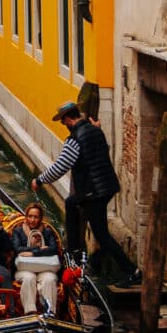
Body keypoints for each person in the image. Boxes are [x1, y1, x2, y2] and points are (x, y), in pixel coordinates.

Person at [38, 91, 140, 288]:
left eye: (63, 122)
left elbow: (60, 167)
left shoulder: (74, 140)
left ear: (68, 119)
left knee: (101, 233)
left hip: (94, 192)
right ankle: (86, 255)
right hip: (106, 187)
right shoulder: (95, 130)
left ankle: (131, 271)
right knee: (71, 203)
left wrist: (40, 180)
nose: (64, 126)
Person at [11, 201, 63, 314]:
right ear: (26, 217)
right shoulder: (18, 231)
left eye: (36, 217)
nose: (32, 220)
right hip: (24, 269)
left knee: (49, 279)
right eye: (30, 216)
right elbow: (17, 249)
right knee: (29, 278)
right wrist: (41, 250)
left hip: (45, 268)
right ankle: (30, 313)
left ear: (40, 218)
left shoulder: (47, 232)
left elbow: (53, 250)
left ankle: (49, 313)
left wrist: (33, 253)